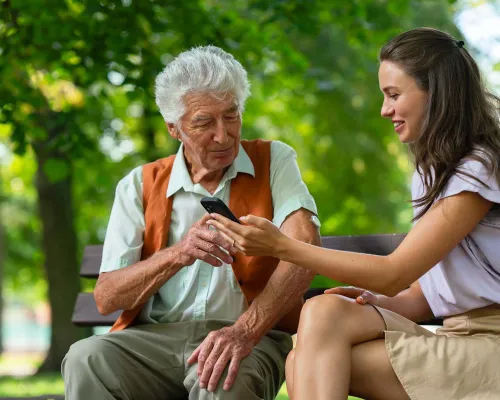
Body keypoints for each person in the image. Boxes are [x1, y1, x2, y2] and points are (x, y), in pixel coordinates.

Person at [207, 28, 500, 400]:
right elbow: (424, 295)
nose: (384, 110)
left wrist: (281, 247)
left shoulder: (478, 170)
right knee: (325, 311)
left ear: (436, 94)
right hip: (457, 336)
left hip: (491, 346)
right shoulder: (432, 173)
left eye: (394, 95)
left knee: (303, 363)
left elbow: (394, 273)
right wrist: (376, 301)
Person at [62, 45, 321, 400]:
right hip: (154, 342)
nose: (223, 134)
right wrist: (178, 254)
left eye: (231, 116)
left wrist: (244, 332)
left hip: (248, 335)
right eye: (204, 122)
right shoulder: (140, 184)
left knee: (221, 377)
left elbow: (304, 243)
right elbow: (107, 298)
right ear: (174, 128)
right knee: (85, 358)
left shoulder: (274, 160)